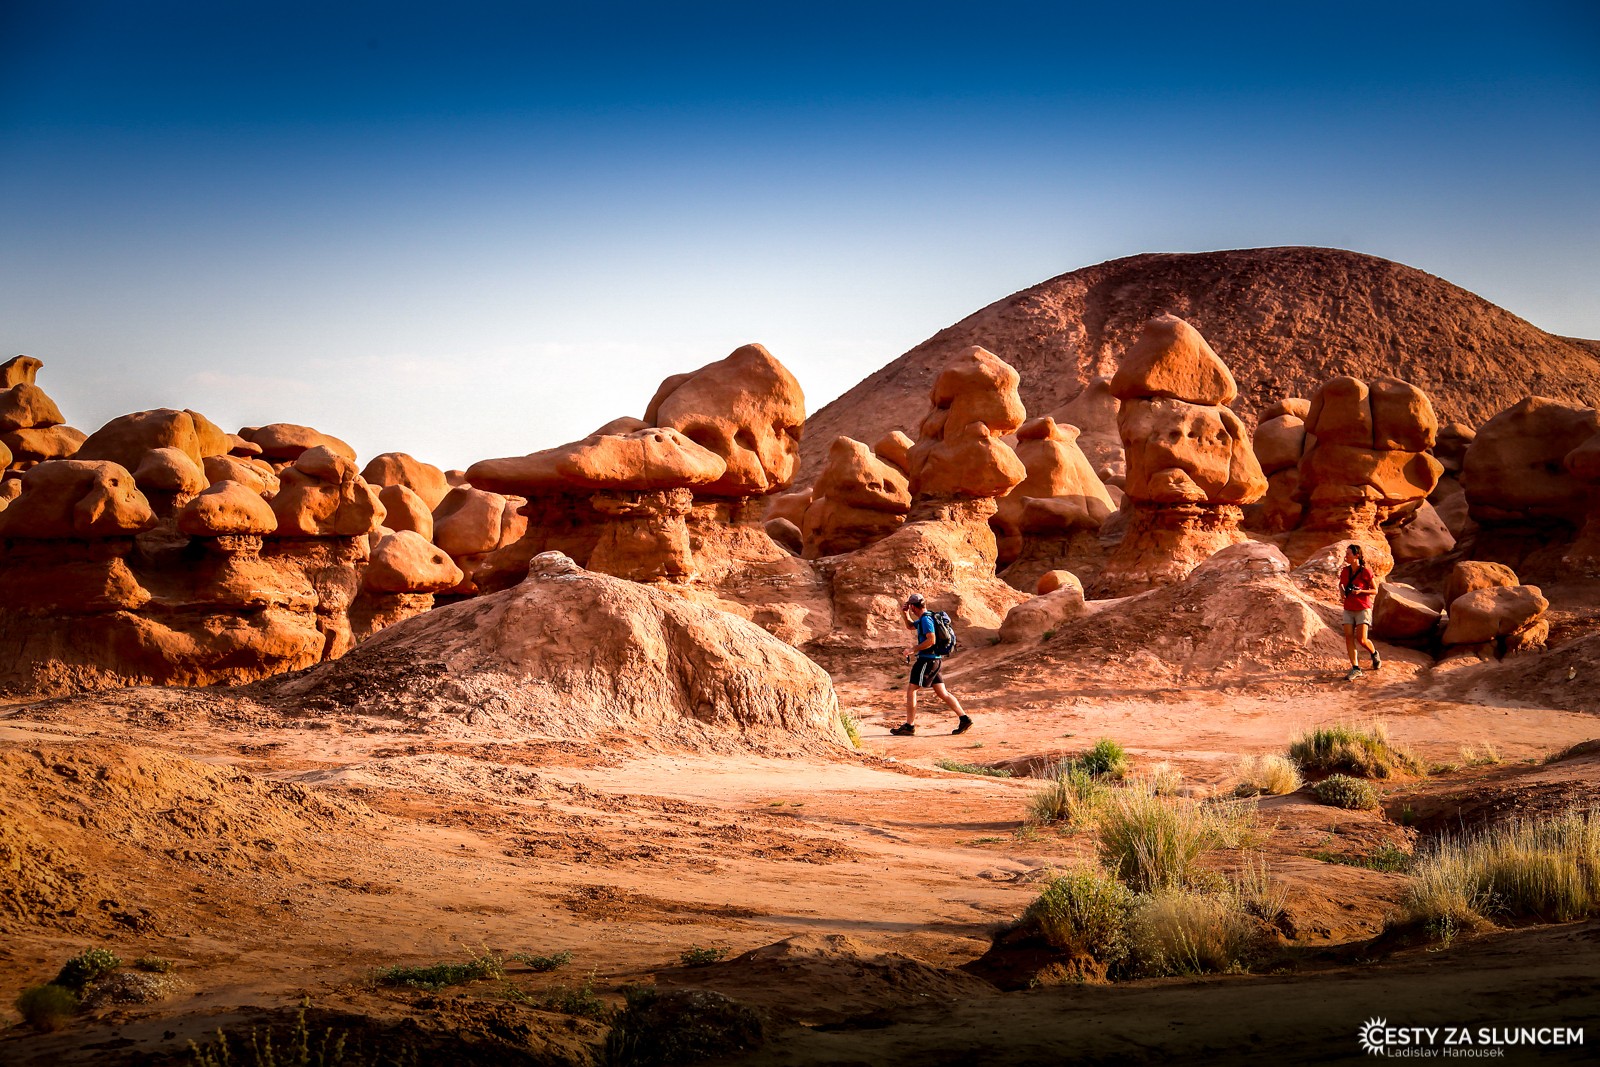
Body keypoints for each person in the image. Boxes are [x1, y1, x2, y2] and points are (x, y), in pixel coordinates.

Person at [890, 593, 973, 736]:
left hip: (926, 661)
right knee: (942, 693)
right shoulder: (927, 617)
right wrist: (905, 614)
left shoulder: (926, 620)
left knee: (912, 690)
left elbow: (931, 640)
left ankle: (909, 726)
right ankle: (964, 719)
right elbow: (910, 626)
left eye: (910, 606)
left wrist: (912, 649)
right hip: (935, 660)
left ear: (914, 607)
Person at [1338, 543, 1380, 681]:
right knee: (1348, 637)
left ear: (1357, 555)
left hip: (1363, 608)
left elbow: (1375, 590)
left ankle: (1374, 653)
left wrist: (1360, 591)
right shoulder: (1345, 571)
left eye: (1348, 554)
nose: (1346, 556)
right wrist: (1342, 593)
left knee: (1361, 639)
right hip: (1348, 608)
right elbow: (1341, 585)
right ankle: (1355, 668)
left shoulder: (1365, 572)